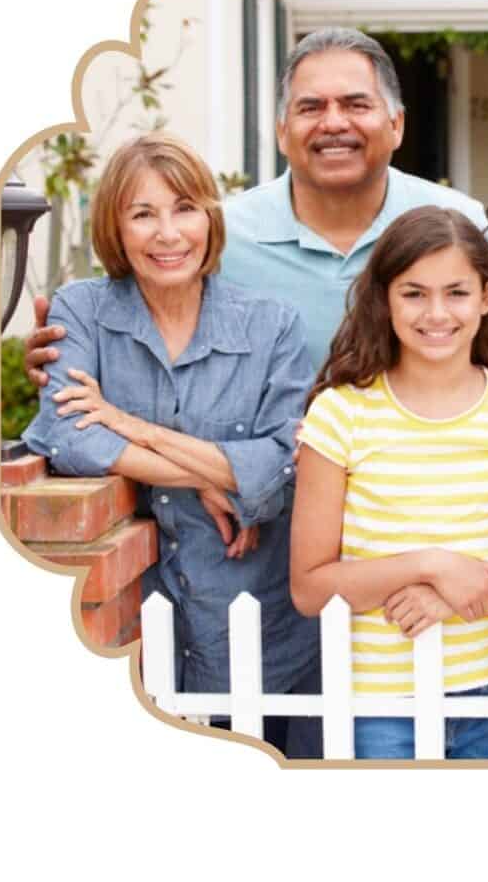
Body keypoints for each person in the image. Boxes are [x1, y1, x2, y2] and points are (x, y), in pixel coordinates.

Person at [21, 133, 321, 757]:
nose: (168, 233)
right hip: (131, 627)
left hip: (257, 625)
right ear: (116, 227)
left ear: (210, 217)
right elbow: (68, 436)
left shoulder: (272, 327)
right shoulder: (82, 311)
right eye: (142, 214)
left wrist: (132, 425)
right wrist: (204, 477)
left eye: (184, 208)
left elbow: (280, 466)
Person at [25, 26, 488, 380]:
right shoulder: (216, 238)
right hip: (255, 498)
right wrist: (66, 350)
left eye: (355, 104)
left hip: (421, 489)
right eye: (310, 108)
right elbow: (125, 331)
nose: (333, 123)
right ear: (282, 130)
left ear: (397, 125)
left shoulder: (461, 227)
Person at [290, 206, 488, 759]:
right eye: (413, 293)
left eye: (457, 293)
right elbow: (310, 588)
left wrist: (458, 598)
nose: (436, 313)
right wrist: (432, 565)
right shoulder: (340, 415)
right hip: (378, 703)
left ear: (486, 298)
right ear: (385, 300)